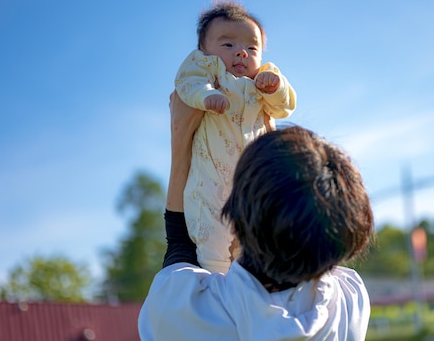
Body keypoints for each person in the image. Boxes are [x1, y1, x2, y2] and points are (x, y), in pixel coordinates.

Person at [138, 91, 375, 341]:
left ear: (234, 219)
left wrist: (181, 133)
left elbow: (179, 249)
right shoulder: (350, 301)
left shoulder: (187, 311)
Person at [174, 0, 297, 273]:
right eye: (228, 45)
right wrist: (207, 95)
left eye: (251, 48)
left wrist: (275, 88)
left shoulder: (263, 80)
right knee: (213, 244)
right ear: (204, 51)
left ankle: (248, 285)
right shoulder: (208, 72)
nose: (241, 53)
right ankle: (216, 281)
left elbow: (285, 105)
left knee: (253, 246)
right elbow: (187, 81)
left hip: (253, 186)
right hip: (210, 184)